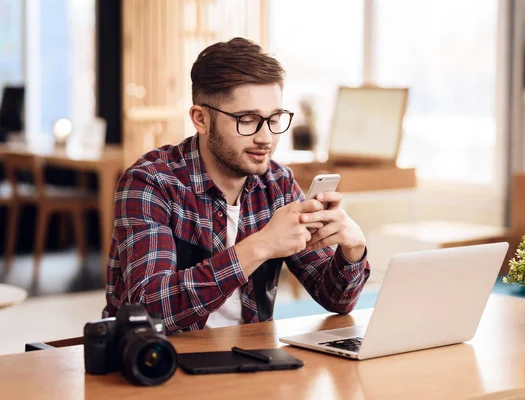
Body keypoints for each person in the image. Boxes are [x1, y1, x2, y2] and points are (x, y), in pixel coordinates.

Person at [103, 37, 370, 333]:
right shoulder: (151, 182)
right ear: (201, 119)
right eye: (247, 120)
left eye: (274, 119)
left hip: (251, 360)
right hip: (159, 362)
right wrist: (262, 245)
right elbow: (149, 306)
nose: (266, 138)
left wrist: (352, 250)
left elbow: (335, 300)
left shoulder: (277, 184)